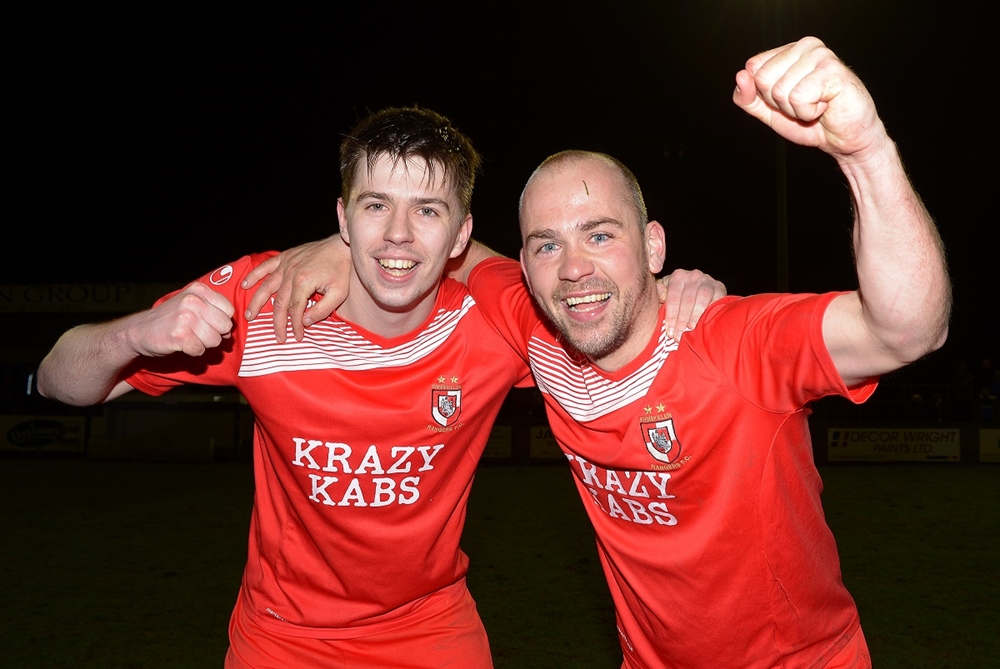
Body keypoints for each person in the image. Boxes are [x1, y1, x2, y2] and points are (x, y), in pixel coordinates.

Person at [246, 37, 951, 668]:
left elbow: (909, 327)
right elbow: (445, 251)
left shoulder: (731, 341)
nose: (573, 267)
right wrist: (337, 247)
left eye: (600, 235)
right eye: (547, 245)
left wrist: (865, 153)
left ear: (654, 247)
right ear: (524, 265)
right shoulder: (534, 323)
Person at [36, 107, 722, 668]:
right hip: (283, 638)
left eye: (427, 210)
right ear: (342, 217)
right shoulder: (266, 301)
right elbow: (62, 380)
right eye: (376, 206)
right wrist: (135, 334)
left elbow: (608, 313)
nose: (397, 234)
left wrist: (683, 291)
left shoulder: (495, 325)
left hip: (433, 630)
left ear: (462, 233)